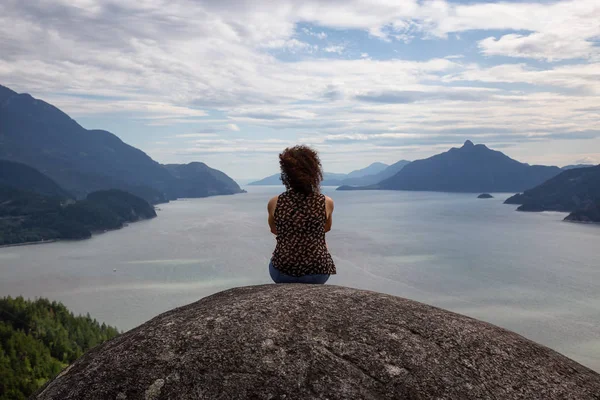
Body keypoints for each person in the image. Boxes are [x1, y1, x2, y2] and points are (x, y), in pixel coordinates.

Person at [267, 145, 336, 284]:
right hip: (318, 273)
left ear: (286, 174)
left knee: (276, 257)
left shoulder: (275, 202)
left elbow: (274, 230)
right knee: (323, 246)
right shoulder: (326, 202)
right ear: (314, 172)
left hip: (282, 272)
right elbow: (326, 228)